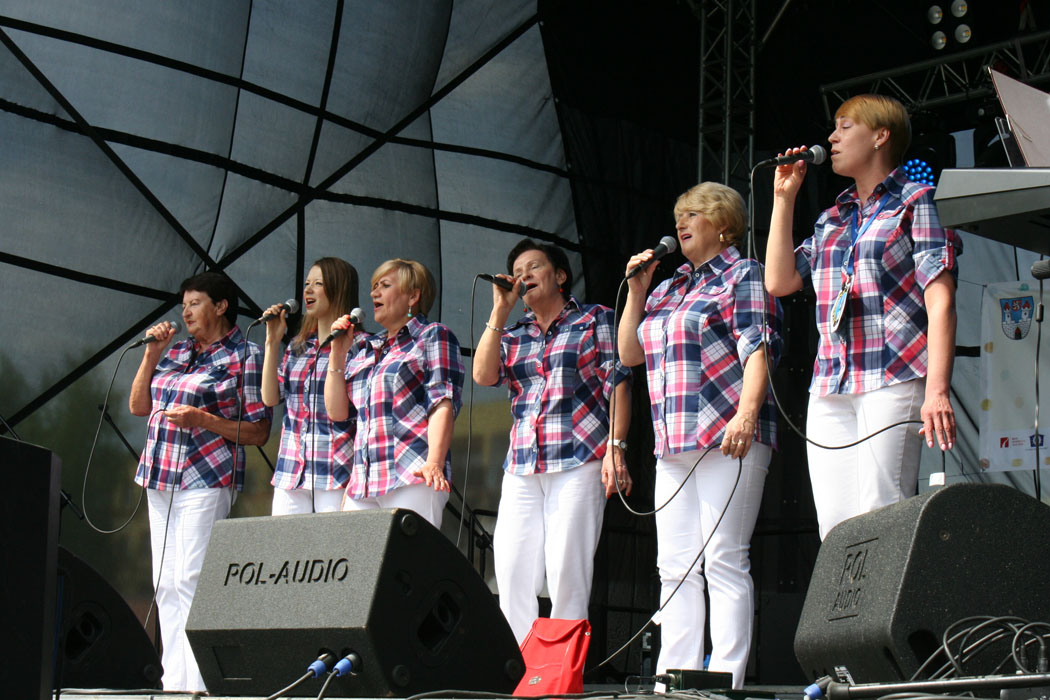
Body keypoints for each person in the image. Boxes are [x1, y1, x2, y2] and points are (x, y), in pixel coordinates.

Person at [764, 94, 958, 540]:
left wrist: (937, 390)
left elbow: (940, 299)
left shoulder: (917, 201)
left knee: (880, 512)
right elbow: (779, 280)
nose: (832, 138)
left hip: (893, 373)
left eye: (845, 126)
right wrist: (783, 199)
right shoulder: (833, 217)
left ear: (880, 136)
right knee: (834, 527)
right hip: (831, 381)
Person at [618, 182, 783, 688]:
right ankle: (675, 677)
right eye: (678, 216)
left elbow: (759, 346)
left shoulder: (743, 274)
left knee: (724, 559)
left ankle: (724, 680)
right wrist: (637, 292)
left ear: (723, 223)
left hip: (727, 437)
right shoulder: (669, 287)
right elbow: (629, 354)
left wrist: (746, 415)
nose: (680, 224)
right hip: (673, 443)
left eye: (692, 214)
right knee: (675, 566)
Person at [473, 239, 632, 645]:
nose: (524, 275)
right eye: (517, 271)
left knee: (566, 572)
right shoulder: (514, 334)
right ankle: (518, 667)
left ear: (560, 275)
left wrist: (616, 448)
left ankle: (561, 672)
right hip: (523, 464)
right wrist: (500, 310)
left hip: (578, 458)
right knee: (511, 568)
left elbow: (618, 383)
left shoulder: (595, 319)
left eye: (534, 267)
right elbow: (483, 375)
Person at [129, 271, 271, 692]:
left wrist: (203, 420)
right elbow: (138, 406)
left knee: (191, 578)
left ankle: (201, 685)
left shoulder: (245, 355)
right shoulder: (177, 352)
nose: (186, 312)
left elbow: (259, 430)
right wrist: (151, 355)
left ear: (221, 306)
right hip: (160, 475)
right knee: (164, 582)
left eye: (195, 303)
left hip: (206, 476)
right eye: (184, 305)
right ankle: (174, 684)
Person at [323, 259, 463, 528]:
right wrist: (337, 354)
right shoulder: (367, 346)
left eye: (385, 285)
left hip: (412, 472)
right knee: (355, 555)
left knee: (410, 555)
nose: (374, 293)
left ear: (413, 296)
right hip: (364, 482)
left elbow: (442, 402)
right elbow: (338, 412)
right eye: (374, 286)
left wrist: (434, 462)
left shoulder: (432, 336)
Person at [261, 257, 359, 515]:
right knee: (284, 541)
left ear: (339, 289)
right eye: (306, 284)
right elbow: (270, 398)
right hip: (291, 471)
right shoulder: (298, 346)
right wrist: (272, 342)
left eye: (318, 284)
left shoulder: (359, 345)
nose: (308, 291)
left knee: (332, 542)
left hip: (335, 470)